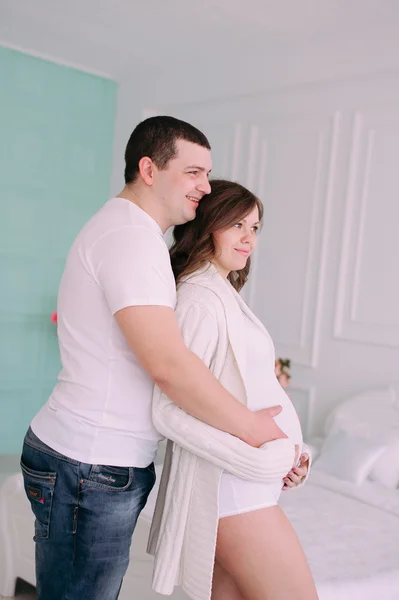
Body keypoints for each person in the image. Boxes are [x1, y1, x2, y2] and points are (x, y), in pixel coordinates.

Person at [20, 116, 295, 600]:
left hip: (91, 460)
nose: (204, 187)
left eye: (207, 174)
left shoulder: (130, 234)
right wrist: (254, 430)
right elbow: (167, 365)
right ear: (149, 169)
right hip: (90, 462)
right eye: (193, 173)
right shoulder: (130, 238)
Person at [148, 179, 317, 600]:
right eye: (237, 224)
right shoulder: (199, 300)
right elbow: (170, 409)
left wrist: (290, 458)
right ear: (209, 224)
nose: (248, 238)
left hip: (249, 484)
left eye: (255, 228)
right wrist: (260, 462)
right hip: (235, 489)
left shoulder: (221, 293)